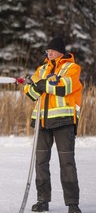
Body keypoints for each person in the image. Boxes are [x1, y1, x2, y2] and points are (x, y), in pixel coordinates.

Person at [24, 36, 82, 213]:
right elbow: (30, 92)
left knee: (67, 163)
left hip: (64, 121)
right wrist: (39, 85)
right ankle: (42, 200)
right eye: (47, 51)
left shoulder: (72, 68)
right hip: (42, 121)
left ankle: (72, 204)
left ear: (60, 52)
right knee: (41, 162)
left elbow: (64, 87)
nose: (48, 53)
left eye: (52, 50)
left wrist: (42, 85)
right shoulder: (41, 69)